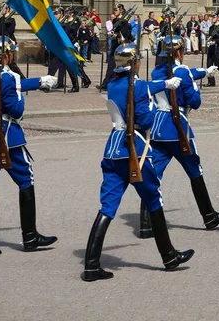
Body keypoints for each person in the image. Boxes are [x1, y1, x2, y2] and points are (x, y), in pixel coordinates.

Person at [81, 42, 193, 281]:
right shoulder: (138, 86)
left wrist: (159, 86)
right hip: (134, 147)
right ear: (134, 63)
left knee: (108, 206)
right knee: (154, 198)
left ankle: (91, 264)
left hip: (113, 147)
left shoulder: (113, 84)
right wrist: (159, 109)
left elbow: (141, 90)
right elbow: (145, 118)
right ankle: (169, 256)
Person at [0, 37, 57, 257]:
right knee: (26, 179)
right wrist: (23, 96)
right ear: (5, 55)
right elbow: (16, 110)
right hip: (5, 133)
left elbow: (8, 85)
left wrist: (39, 81)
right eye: (11, 53)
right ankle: (30, 236)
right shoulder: (8, 77)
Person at [139, 35, 219, 235]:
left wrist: (204, 72)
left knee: (153, 174)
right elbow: (195, 101)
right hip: (176, 126)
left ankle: (146, 224)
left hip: (157, 127)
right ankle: (209, 216)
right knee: (194, 170)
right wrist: (197, 86)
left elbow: (185, 73)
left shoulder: (157, 71)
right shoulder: (181, 72)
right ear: (180, 52)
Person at [97, 4, 133, 91]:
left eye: (116, 10)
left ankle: (123, 83)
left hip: (122, 46)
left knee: (123, 66)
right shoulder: (116, 20)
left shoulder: (125, 21)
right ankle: (106, 83)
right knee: (111, 65)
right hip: (115, 46)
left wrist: (116, 35)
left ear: (121, 11)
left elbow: (125, 33)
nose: (114, 12)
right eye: (114, 10)